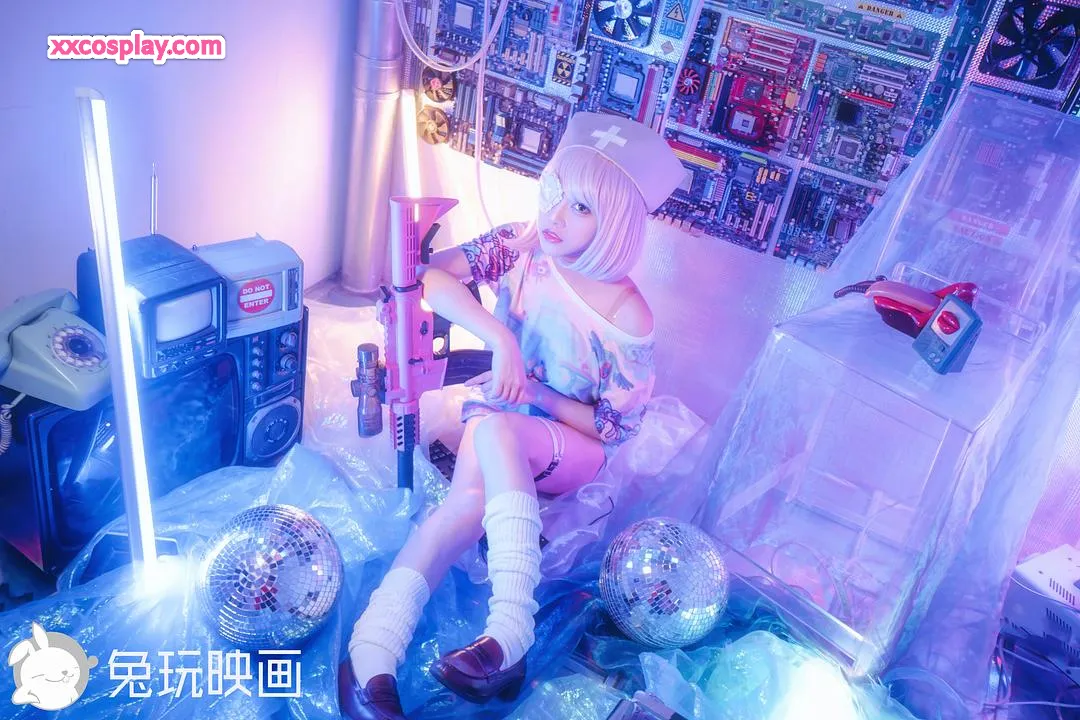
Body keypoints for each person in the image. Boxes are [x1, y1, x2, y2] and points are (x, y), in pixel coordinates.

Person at [338, 111, 685, 720]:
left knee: (496, 430)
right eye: (554, 192)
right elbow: (427, 278)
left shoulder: (629, 316)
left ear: (616, 222)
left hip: (568, 445)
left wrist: (538, 394)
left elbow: (613, 428)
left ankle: (506, 632)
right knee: (464, 502)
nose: (555, 216)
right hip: (500, 415)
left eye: (581, 207)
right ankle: (373, 653)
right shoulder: (522, 246)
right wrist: (499, 337)